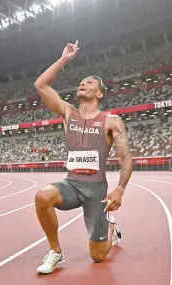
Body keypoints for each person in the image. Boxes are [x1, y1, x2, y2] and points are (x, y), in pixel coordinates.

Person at [33, 40, 133, 274]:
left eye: (89, 82)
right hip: (71, 184)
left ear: (99, 93)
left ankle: (110, 228)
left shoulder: (112, 121)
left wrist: (120, 189)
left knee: (97, 257)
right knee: (42, 196)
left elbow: (126, 157)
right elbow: (41, 85)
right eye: (81, 82)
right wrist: (64, 60)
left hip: (96, 190)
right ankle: (55, 251)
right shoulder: (68, 113)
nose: (82, 84)